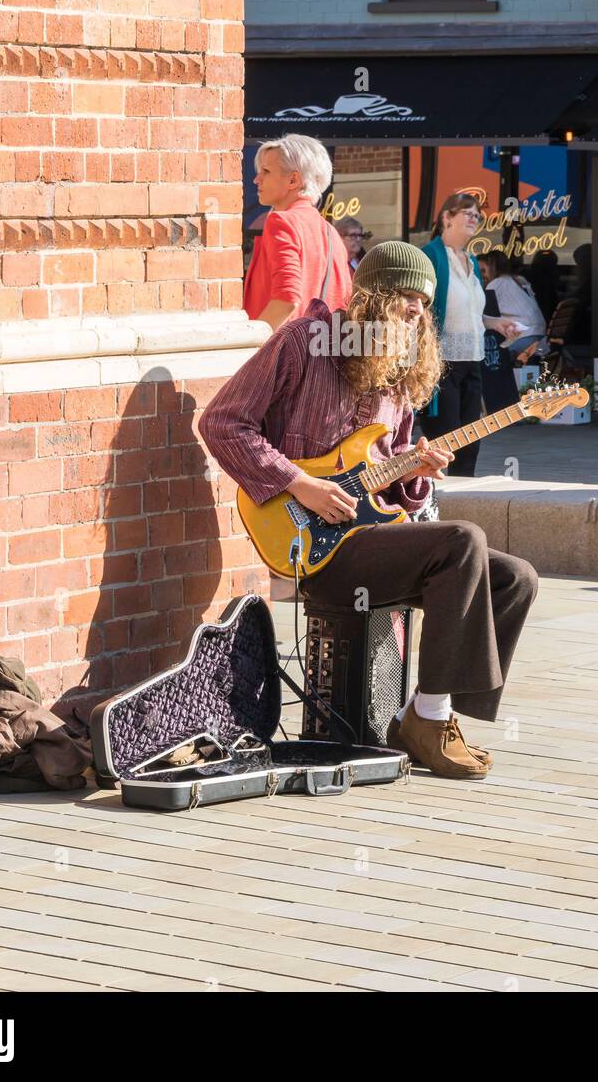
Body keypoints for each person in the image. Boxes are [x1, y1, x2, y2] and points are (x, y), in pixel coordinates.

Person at [199, 240, 539, 780]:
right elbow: (222, 422)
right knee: (463, 541)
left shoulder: (398, 375)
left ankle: (424, 711)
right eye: (407, 297)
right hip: (315, 549)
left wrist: (413, 475)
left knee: (515, 578)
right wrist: (301, 483)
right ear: (372, 296)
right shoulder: (302, 342)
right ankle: (431, 721)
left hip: (372, 541)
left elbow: (389, 486)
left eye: (425, 304)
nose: (418, 312)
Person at [420, 194, 521, 475]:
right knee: (445, 442)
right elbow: (420, 309)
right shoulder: (432, 256)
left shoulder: (472, 261)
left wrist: (495, 323)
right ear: (447, 218)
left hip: (472, 360)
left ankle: (461, 506)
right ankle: (434, 504)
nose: (474, 219)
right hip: (442, 363)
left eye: (477, 215)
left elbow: (470, 313)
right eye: (468, 213)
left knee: (471, 444)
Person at [243, 134, 352, 332]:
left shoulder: (282, 221)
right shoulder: (331, 233)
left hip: (282, 354)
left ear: (293, 179)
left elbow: (287, 298)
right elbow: (343, 301)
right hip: (319, 353)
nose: (256, 179)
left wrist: (252, 345)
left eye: (265, 171)